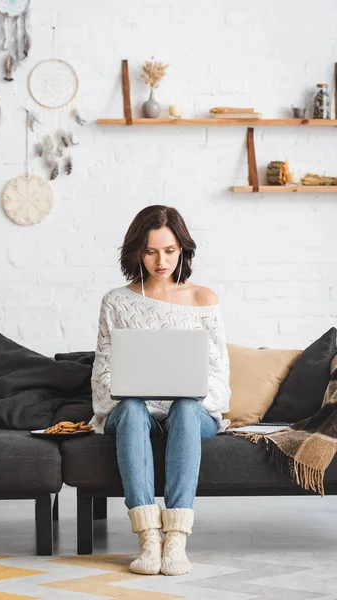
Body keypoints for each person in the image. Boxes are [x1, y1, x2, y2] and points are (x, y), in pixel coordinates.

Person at [90, 205, 231, 576]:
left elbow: (219, 377)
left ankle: (176, 539)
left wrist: (193, 391)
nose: (160, 260)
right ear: (137, 251)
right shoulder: (116, 301)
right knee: (133, 405)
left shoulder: (203, 299)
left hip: (191, 413)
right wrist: (126, 391)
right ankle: (149, 538)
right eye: (151, 251)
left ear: (182, 249)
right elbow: (102, 374)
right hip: (137, 413)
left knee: (185, 405)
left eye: (169, 250)